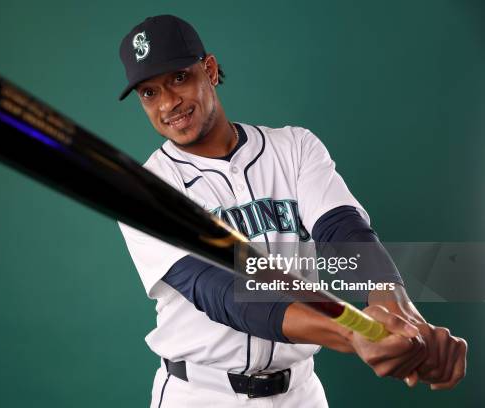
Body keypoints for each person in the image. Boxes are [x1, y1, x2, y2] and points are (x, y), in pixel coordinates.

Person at [116, 15, 467, 408]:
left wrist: (399, 313)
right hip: (201, 393)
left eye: (179, 78)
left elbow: (345, 233)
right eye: (149, 92)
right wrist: (355, 332)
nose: (168, 103)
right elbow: (222, 291)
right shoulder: (146, 188)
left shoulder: (294, 148)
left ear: (210, 70)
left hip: (300, 393)